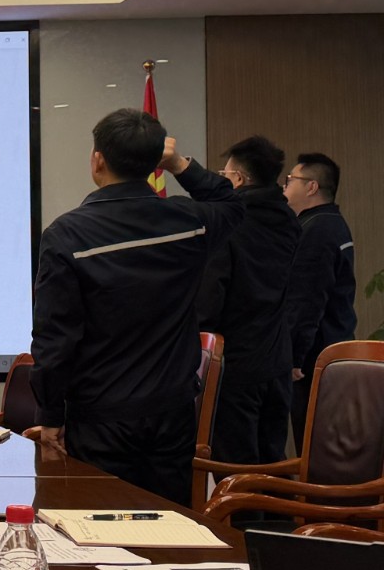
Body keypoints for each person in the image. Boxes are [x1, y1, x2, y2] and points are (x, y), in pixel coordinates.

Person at [31, 110, 244, 506]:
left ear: (97, 160)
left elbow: (55, 338)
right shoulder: (188, 222)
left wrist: (51, 414)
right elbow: (230, 201)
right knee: (168, 524)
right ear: (155, 163)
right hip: (172, 413)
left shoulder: (67, 235)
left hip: (101, 417)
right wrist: (179, 164)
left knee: (100, 527)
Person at [195, 136, 300, 464]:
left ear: (238, 179)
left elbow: (210, 299)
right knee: (272, 463)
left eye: (224, 174)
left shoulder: (229, 224)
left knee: (235, 469)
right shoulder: (290, 222)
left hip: (236, 365)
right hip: (277, 359)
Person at [282, 151, 356, 444]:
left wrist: (294, 356)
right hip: (332, 349)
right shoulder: (331, 222)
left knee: (315, 444)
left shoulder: (317, 229)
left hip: (317, 359)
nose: (285, 185)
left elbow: (307, 299)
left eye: (291, 179)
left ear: (311, 187)